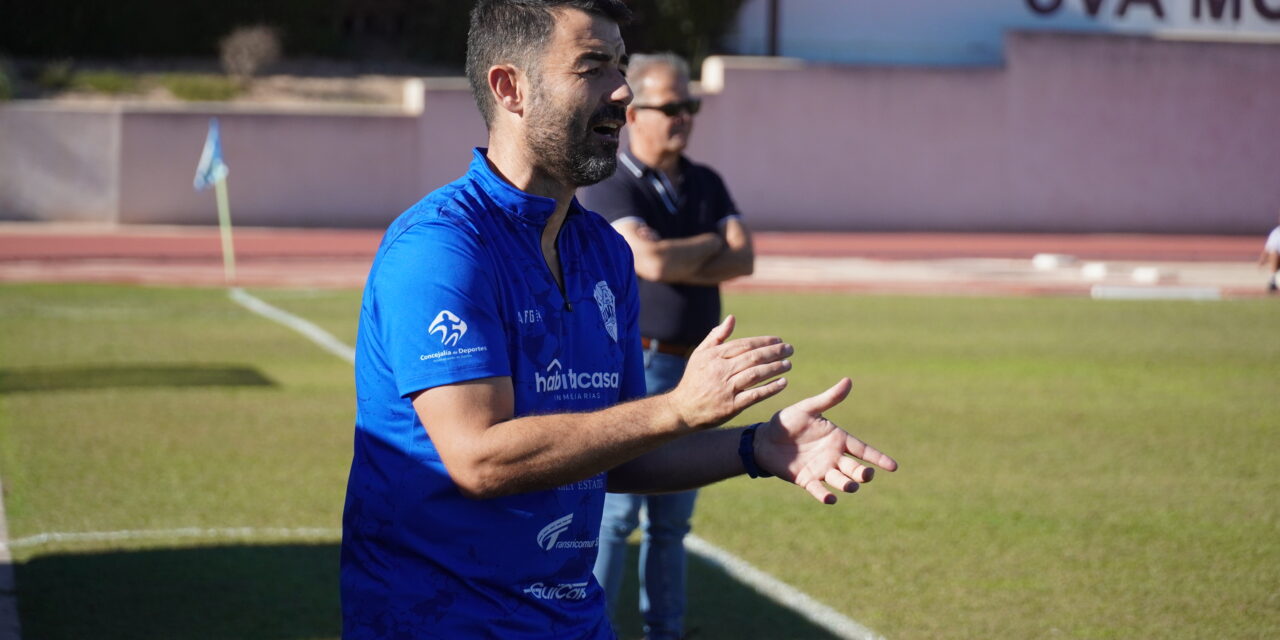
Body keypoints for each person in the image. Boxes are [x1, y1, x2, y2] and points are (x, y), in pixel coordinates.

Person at [340, 2, 898, 639]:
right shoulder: (441, 247)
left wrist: (755, 446)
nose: (624, 91)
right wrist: (676, 409)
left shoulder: (603, 251)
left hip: (573, 625)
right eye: (593, 67)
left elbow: (618, 455)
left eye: (622, 66)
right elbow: (479, 459)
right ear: (509, 88)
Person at [578, 52, 753, 640]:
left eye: (690, 106)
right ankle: (593, 627)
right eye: (670, 107)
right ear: (634, 112)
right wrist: (708, 244)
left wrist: (679, 253)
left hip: (698, 366)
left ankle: (665, 633)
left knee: (674, 523)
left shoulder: (705, 180)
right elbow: (647, 261)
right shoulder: (609, 181)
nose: (683, 117)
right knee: (618, 513)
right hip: (641, 361)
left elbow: (745, 256)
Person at [1260, 210, 1280, 293]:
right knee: (1274, 253)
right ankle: (1272, 280)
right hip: (1278, 259)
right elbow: (1268, 248)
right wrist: (1262, 259)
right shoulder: (1276, 232)